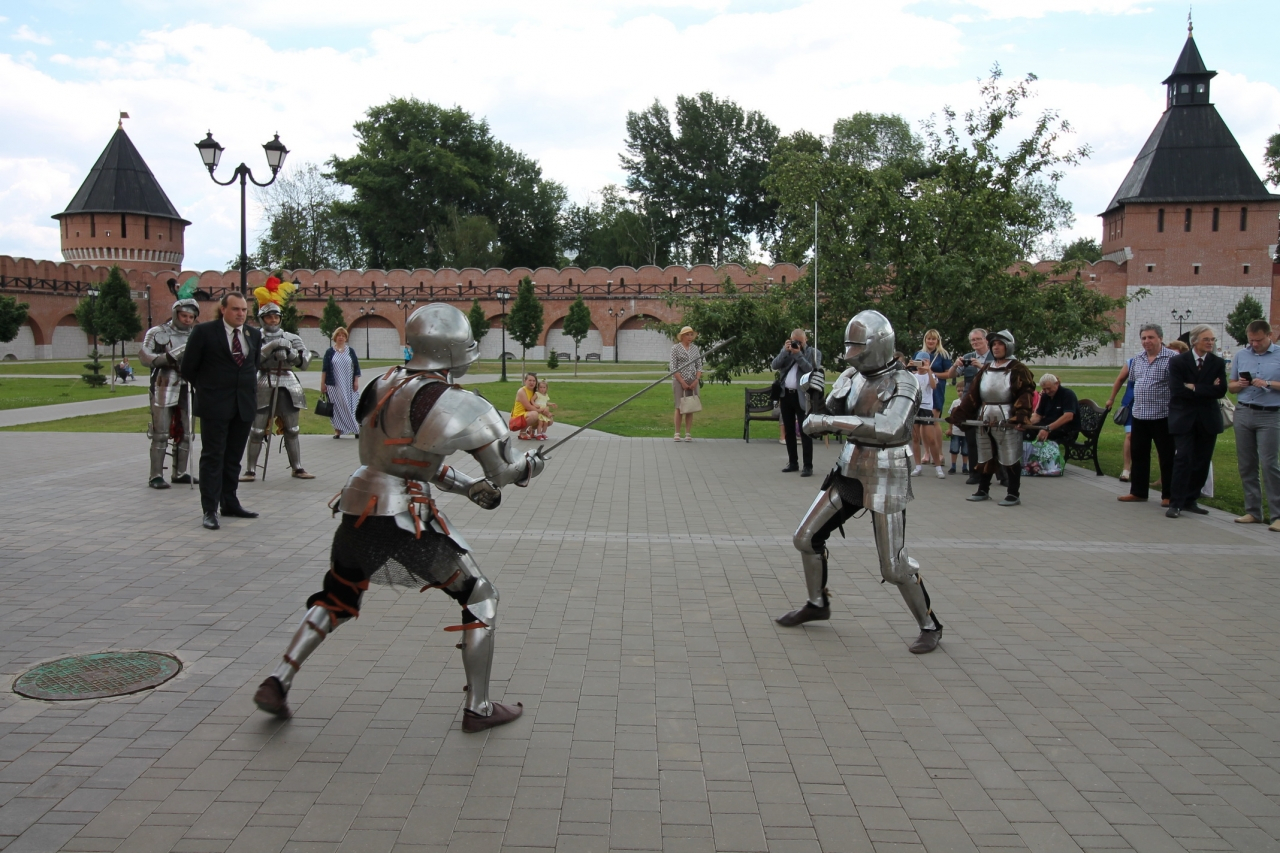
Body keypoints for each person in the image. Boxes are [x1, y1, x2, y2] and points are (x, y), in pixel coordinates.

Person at [253, 303, 544, 731]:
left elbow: (408, 458)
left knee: (338, 596)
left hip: (358, 503)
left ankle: (279, 679)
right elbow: (503, 471)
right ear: (453, 349)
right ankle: (479, 707)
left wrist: (468, 488)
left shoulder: (384, 383)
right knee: (480, 595)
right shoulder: (456, 401)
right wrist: (530, 467)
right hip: (404, 516)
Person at [780, 309, 944, 654]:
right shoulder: (851, 376)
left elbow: (891, 428)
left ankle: (930, 625)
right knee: (805, 537)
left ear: (878, 345)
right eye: (850, 347)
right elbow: (821, 417)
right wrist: (812, 394)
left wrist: (829, 423)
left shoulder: (904, 381)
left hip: (888, 470)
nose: (852, 355)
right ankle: (817, 603)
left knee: (894, 566)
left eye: (858, 347)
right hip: (851, 466)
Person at [179, 292, 261, 531]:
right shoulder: (204, 332)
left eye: (244, 310)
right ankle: (210, 509)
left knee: (233, 457)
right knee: (213, 457)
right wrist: (209, 389)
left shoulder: (253, 334)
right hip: (214, 405)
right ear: (223, 309)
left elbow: (253, 365)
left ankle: (230, 502)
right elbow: (188, 368)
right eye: (235, 309)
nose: (241, 314)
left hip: (243, 405)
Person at [946, 330, 1035, 507]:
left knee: (1010, 457)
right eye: (994, 344)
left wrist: (1020, 418)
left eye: (1000, 344)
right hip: (985, 416)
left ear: (1009, 346)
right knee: (985, 456)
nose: (996, 347)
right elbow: (973, 395)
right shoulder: (986, 368)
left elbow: (1025, 394)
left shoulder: (1018, 369)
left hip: (1007, 417)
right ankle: (983, 489)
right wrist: (960, 414)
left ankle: (1013, 493)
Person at [241, 303, 315, 481]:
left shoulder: (291, 337)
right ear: (262, 319)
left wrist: (289, 353)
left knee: (292, 429)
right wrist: (272, 346)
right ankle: (250, 469)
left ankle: (297, 467)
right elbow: (250, 360)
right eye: (269, 317)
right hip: (263, 380)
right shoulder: (254, 336)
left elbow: (304, 362)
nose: (273, 320)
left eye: (276, 317)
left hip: (288, 381)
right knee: (257, 430)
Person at [1105, 324, 1177, 507]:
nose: (1147, 341)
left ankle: (1169, 495)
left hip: (1162, 415)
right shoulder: (1137, 359)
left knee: (1167, 456)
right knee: (1139, 455)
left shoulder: (1172, 358)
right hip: (1139, 415)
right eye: (1144, 338)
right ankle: (1138, 492)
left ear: (1160, 338)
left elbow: (1178, 386)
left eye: (1151, 337)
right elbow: (1133, 383)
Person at [1165, 325, 1227, 518]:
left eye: (1213, 339)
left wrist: (1194, 387)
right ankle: (1176, 503)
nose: (1210, 343)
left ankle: (1191, 500)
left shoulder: (1217, 363)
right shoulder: (1178, 361)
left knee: (1202, 461)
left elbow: (1220, 390)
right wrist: (1206, 388)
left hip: (1208, 419)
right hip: (1183, 418)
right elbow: (1177, 390)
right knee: (1183, 458)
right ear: (1194, 341)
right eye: (1206, 339)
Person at [139, 296, 199, 488]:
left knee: (187, 432)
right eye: (184, 315)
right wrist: (172, 355)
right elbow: (145, 357)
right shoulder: (158, 332)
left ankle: (179, 472)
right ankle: (155, 475)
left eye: (191, 317)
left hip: (188, 382)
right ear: (175, 314)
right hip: (164, 381)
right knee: (161, 432)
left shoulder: (197, 334)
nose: (187, 320)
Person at [1229, 319, 1280, 531]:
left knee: (1269, 464)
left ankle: (1277, 515)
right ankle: (1253, 511)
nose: (1254, 344)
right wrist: (1239, 385)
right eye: (1251, 340)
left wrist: (1268, 383)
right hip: (1244, 411)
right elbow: (1231, 386)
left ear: (1269, 335)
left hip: (1270, 414)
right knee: (1246, 464)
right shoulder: (1242, 355)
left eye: (1258, 340)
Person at [941, 329, 994, 485]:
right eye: (972, 340)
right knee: (971, 439)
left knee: (993, 439)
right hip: (970, 402)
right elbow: (951, 375)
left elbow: (999, 377)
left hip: (990, 402)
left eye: (978, 339)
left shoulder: (995, 357)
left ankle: (1001, 474)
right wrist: (955, 365)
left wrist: (981, 366)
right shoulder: (968, 357)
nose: (975, 342)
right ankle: (974, 473)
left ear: (986, 340)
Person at [771, 328, 819, 474]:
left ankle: (808, 465)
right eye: (794, 341)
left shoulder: (813, 353)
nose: (797, 344)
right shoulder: (787, 351)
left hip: (802, 396)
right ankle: (793, 462)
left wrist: (798, 355)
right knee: (789, 430)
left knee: (805, 431)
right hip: (786, 395)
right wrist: (784, 351)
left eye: (800, 341)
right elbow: (774, 365)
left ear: (806, 340)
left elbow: (811, 370)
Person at [913, 329, 953, 478]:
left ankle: (939, 454)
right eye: (928, 339)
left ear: (938, 341)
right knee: (918, 429)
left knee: (934, 422)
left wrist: (931, 372)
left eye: (933, 339)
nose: (931, 341)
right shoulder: (919, 353)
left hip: (935, 389)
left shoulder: (943, 355)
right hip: (919, 396)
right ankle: (926, 453)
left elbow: (948, 373)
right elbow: (913, 371)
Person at [322, 327, 361, 438]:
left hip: (348, 384)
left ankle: (356, 429)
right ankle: (338, 430)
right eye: (339, 335)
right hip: (334, 385)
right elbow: (325, 369)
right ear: (335, 337)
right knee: (336, 407)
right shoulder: (330, 352)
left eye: (343, 336)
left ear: (346, 338)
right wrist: (322, 384)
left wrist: (356, 381)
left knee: (350, 406)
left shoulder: (350, 351)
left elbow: (356, 367)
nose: (341, 337)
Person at [671, 326, 703, 443]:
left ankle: (688, 433)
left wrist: (696, 380)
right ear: (682, 336)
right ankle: (677, 433)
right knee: (679, 406)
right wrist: (682, 382)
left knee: (690, 406)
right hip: (679, 380)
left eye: (691, 335)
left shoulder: (695, 348)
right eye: (687, 335)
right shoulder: (675, 348)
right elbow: (673, 367)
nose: (689, 337)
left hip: (692, 380)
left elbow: (699, 365)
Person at [1029, 374, 1079, 446]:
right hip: (1048, 425)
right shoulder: (1045, 396)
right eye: (1044, 389)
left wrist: (1048, 428)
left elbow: (1068, 416)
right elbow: (1038, 415)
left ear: (1057, 383)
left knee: (1032, 433)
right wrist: (1026, 424)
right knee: (1026, 431)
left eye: (1049, 388)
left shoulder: (1068, 394)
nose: (1047, 391)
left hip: (1066, 429)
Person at [910, 358, 940, 476]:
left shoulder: (930, 375)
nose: (920, 366)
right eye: (918, 363)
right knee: (915, 438)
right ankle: (918, 466)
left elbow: (933, 386)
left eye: (922, 363)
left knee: (931, 439)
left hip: (927, 407)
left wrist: (929, 370)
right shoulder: (913, 376)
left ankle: (938, 467)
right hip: (915, 407)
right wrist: (908, 367)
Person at [511, 372, 549, 440]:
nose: (532, 382)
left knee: (549, 420)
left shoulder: (535, 392)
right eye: (530, 380)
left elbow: (542, 402)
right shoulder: (522, 391)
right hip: (518, 417)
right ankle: (522, 433)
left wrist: (546, 409)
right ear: (525, 381)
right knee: (535, 414)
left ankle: (531, 431)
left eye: (534, 381)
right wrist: (541, 410)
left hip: (528, 414)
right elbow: (528, 407)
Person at [945, 398, 968, 474]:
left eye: (962, 391)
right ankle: (953, 466)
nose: (960, 393)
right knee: (954, 450)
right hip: (955, 431)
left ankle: (965, 467)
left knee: (965, 451)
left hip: (966, 432)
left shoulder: (969, 402)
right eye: (958, 391)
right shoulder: (955, 402)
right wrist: (950, 429)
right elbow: (951, 416)